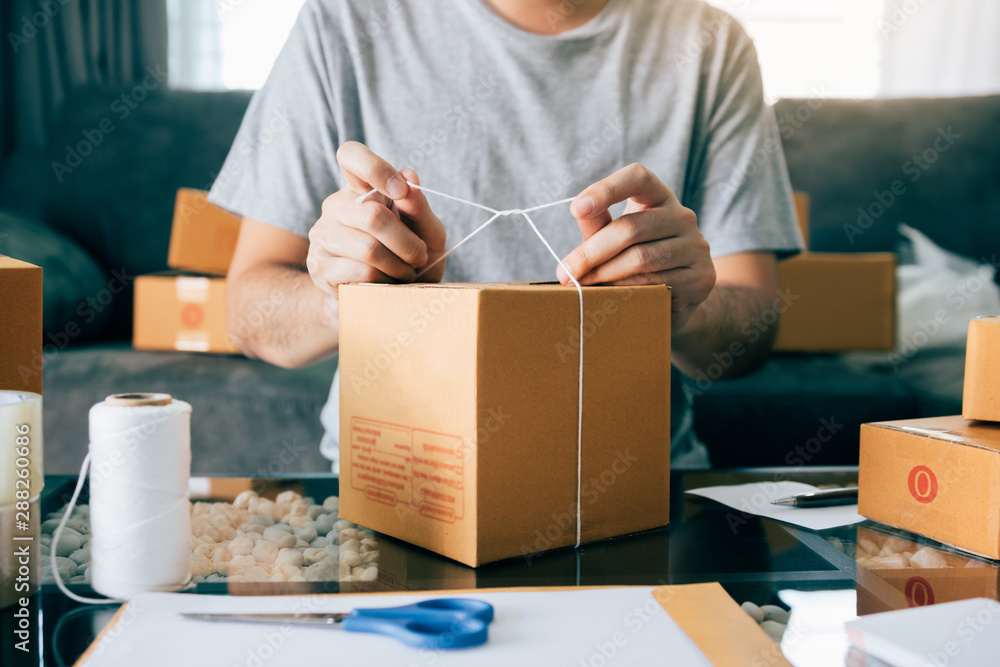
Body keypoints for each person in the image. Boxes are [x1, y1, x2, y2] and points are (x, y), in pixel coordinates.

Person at [209, 0, 804, 472]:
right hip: (399, 480)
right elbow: (247, 314)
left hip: (632, 483)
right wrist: (352, 299)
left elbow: (753, 327)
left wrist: (678, 312)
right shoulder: (343, 21)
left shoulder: (708, 43)